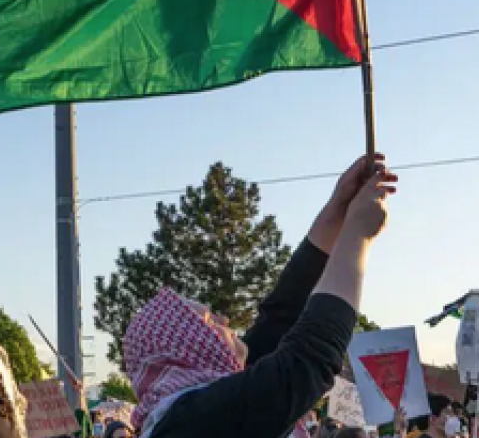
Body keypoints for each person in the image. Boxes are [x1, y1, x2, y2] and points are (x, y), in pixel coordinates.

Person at [122, 154, 396, 438]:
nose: (223, 319)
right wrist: (356, 236)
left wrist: (337, 211)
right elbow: (306, 364)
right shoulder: (194, 420)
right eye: (209, 320)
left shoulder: (195, 412)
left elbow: (280, 318)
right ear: (186, 347)